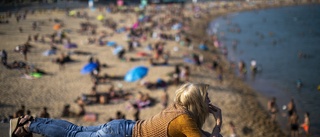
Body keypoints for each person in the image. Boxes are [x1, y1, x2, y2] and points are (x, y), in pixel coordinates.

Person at [10, 82, 222, 137]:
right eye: (206, 97)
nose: (209, 100)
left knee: (74, 130)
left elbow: (193, 132)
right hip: (121, 133)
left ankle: (32, 121)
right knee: (72, 133)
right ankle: (29, 125)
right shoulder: (186, 120)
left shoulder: (178, 108)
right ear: (197, 103)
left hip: (121, 127)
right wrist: (218, 122)